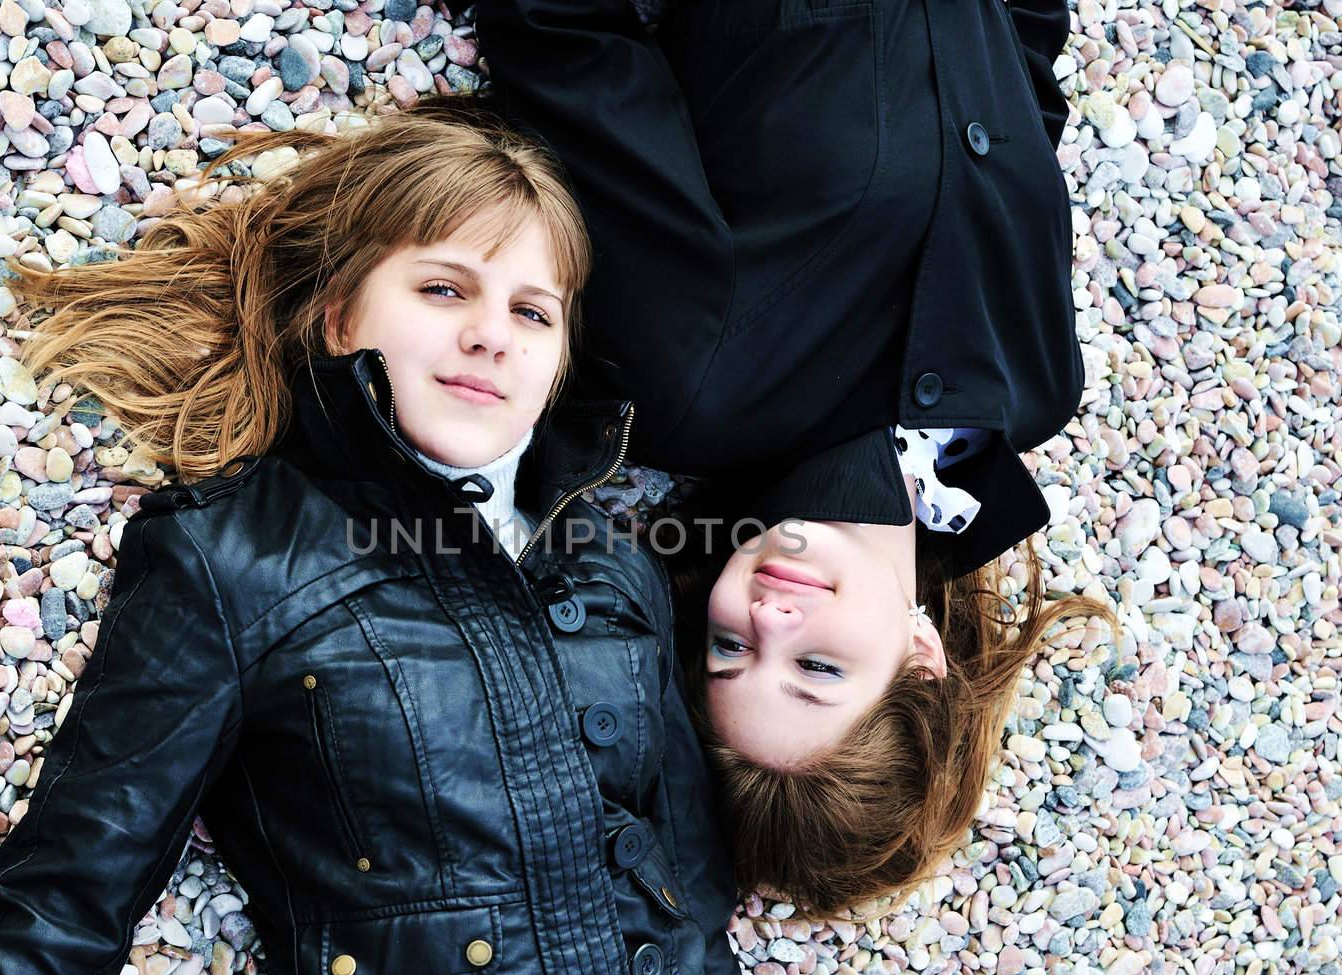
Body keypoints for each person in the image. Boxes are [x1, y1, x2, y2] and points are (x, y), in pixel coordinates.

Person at [0, 101, 779, 975]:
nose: (493, 335)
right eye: (445, 290)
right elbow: (74, 885)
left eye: (532, 312)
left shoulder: (615, 565)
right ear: (338, 319)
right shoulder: (234, 558)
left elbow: (691, 890)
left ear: (557, 363)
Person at [473, 0, 1121, 915]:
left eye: (730, 648)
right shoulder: (1035, 387)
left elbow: (564, 36)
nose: (771, 617)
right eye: (817, 670)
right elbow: (1020, 94)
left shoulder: (692, 382)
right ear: (921, 658)